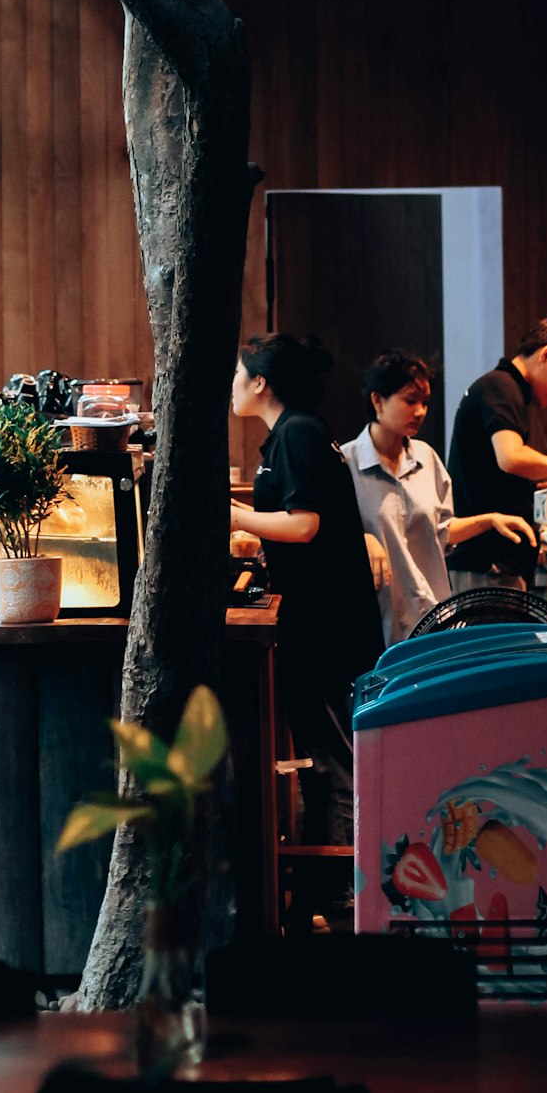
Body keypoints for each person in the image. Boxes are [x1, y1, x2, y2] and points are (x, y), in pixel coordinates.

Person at [229, 333, 384, 923]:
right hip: (323, 619)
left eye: (239, 374)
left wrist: (236, 514)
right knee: (325, 755)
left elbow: (306, 524)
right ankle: (329, 892)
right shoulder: (293, 431)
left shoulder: (295, 432)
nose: (233, 385)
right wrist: (252, 531)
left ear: (261, 382)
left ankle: (342, 899)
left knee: (333, 757)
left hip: (325, 625)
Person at [342, 350, 538, 645]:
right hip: (375, 621)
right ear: (377, 400)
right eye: (410, 401)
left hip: (432, 618)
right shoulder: (345, 463)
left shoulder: (426, 457)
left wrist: (490, 520)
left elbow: (441, 533)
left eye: (425, 403)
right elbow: (326, 539)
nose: (421, 411)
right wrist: (364, 539)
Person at [446, 318, 547, 590]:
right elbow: (510, 458)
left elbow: (493, 472)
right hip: (487, 564)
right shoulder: (501, 387)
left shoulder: (504, 389)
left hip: (493, 562)